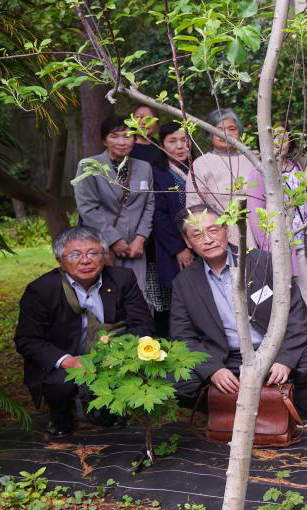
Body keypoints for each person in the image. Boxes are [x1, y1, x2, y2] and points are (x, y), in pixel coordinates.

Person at [170, 207, 307, 419]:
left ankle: (292, 411)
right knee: (175, 381)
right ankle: (235, 414)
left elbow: (296, 316)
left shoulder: (263, 262)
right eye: (197, 235)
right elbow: (183, 337)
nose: (207, 239)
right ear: (188, 242)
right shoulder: (184, 283)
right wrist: (213, 370)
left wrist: (285, 359)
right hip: (227, 357)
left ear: (227, 230)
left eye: (213, 230)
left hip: (272, 348)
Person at [15, 226, 154, 438]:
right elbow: (27, 339)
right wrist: (66, 360)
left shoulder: (122, 278)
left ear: (104, 255)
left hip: (111, 356)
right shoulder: (42, 290)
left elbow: (142, 322)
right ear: (60, 259)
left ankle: (107, 410)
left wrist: (123, 353)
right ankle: (61, 415)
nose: (85, 260)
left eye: (92, 253)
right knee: (60, 385)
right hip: (67, 358)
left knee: (112, 420)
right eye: (75, 254)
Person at [74, 115, 156, 294]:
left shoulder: (144, 168)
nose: (121, 142)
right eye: (114, 136)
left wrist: (141, 238)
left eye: (127, 136)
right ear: (104, 140)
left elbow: (149, 204)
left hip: (135, 248)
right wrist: (115, 240)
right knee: (104, 295)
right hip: (101, 246)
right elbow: (87, 208)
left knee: (137, 295)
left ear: (135, 138)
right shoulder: (89, 166)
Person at [247, 130, 307, 318]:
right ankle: (287, 331)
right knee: (283, 288)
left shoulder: (297, 166)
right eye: (272, 138)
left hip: (304, 236)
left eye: (283, 138)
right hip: (279, 241)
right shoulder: (259, 171)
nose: (278, 142)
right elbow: (255, 214)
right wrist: (268, 245)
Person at [149, 121, 196, 335]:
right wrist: (179, 248)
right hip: (174, 247)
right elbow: (158, 216)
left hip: (202, 242)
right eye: (172, 141)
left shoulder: (198, 168)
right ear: (161, 145)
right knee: (177, 299)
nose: (180, 146)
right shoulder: (157, 173)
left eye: (184, 140)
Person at [187, 108, 257, 246]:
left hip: (255, 231)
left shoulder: (252, 160)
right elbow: (194, 206)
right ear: (210, 134)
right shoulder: (201, 163)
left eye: (232, 128)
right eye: (218, 129)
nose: (225, 133)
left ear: (239, 132)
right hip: (217, 233)